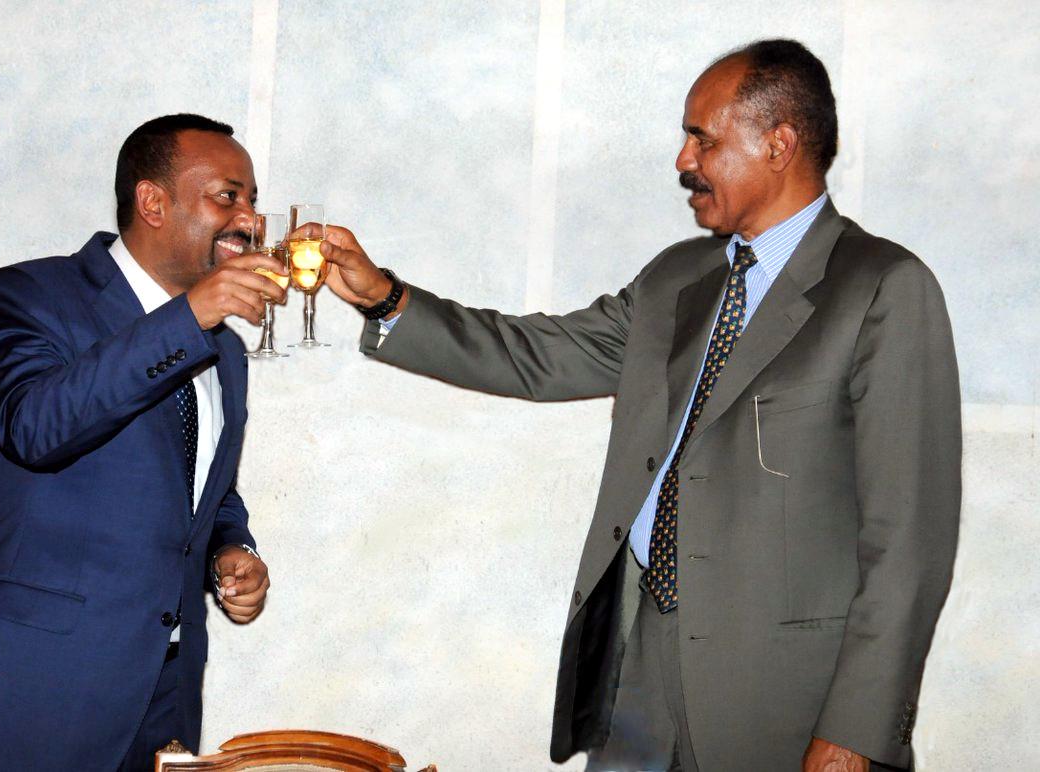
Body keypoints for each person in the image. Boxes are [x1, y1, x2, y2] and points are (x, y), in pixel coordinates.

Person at [314, 40, 961, 771]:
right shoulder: (676, 280)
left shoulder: (882, 288)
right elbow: (537, 355)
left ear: (779, 144)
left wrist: (856, 732)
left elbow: (909, 543)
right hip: (636, 673)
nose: (683, 161)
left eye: (702, 139)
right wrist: (385, 298)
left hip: (786, 704)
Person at [0, 114, 286, 771]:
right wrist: (188, 316)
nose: (250, 217)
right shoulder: (27, 296)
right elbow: (34, 428)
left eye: (252, 199)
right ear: (152, 202)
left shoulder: (225, 351)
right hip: (26, 699)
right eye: (228, 195)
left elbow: (201, 483)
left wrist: (230, 547)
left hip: (158, 707)